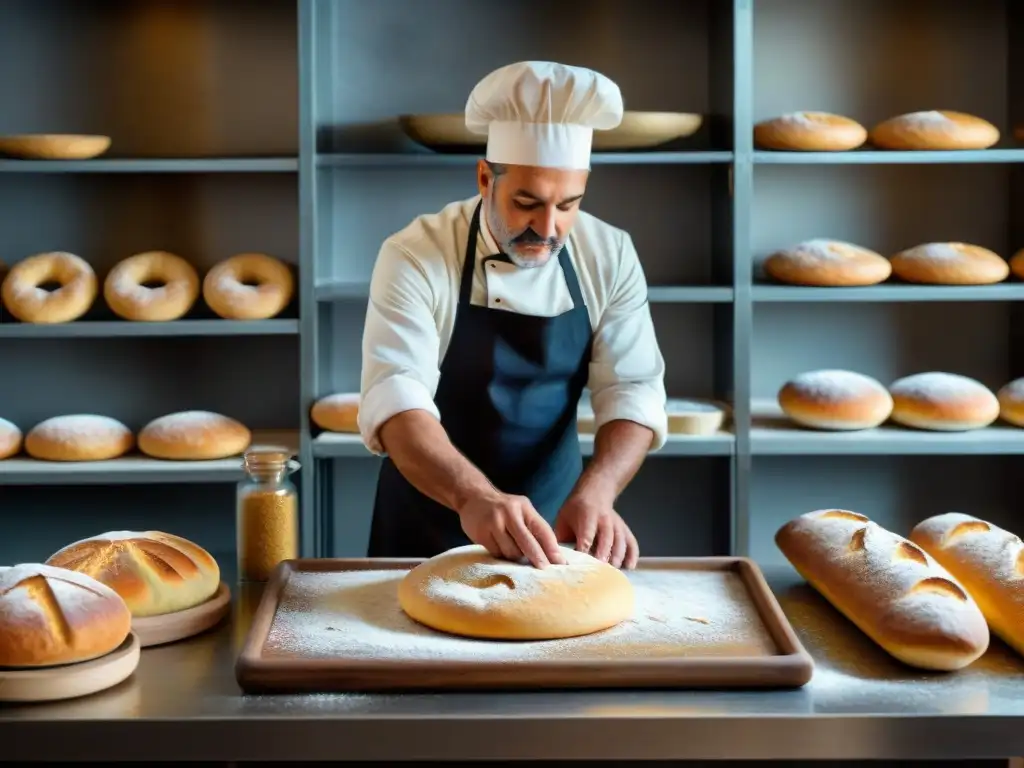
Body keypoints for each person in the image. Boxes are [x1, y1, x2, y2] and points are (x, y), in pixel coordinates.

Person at [358, 61, 668, 570]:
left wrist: (599, 490)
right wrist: (471, 497)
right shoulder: (416, 253)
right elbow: (395, 397)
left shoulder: (609, 253)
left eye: (568, 205)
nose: (548, 228)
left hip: (555, 529)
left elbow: (633, 389)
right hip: (429, 516)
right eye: (527, 202)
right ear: (485, 178)